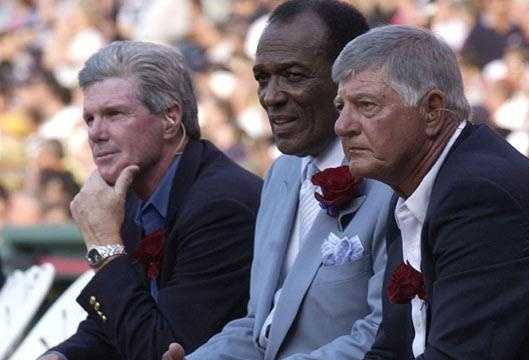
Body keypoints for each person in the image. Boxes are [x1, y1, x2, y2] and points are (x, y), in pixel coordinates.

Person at [332, 25, 529, 359]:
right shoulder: (416, 185)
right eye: (341, 107)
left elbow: (458, 355)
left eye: (366, 105)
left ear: (432, 111)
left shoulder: (478, 194)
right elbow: (391, 349)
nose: (342, 126)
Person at [163, 1, 393, 359]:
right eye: (262, 78)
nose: (271, 96)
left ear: (351, 79)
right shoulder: (282, 174)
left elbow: (382, 336)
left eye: (293, 76)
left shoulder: (390, 182)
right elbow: (261, 328)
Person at [40, 41, 262, 360]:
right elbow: (111, 325)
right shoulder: (131, 193)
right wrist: (61, 357)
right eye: (89, 119)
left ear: (171, 118)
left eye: (114, 114)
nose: (95, 133)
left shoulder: (221, 206)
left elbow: (159, 350)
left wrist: (104, 246)